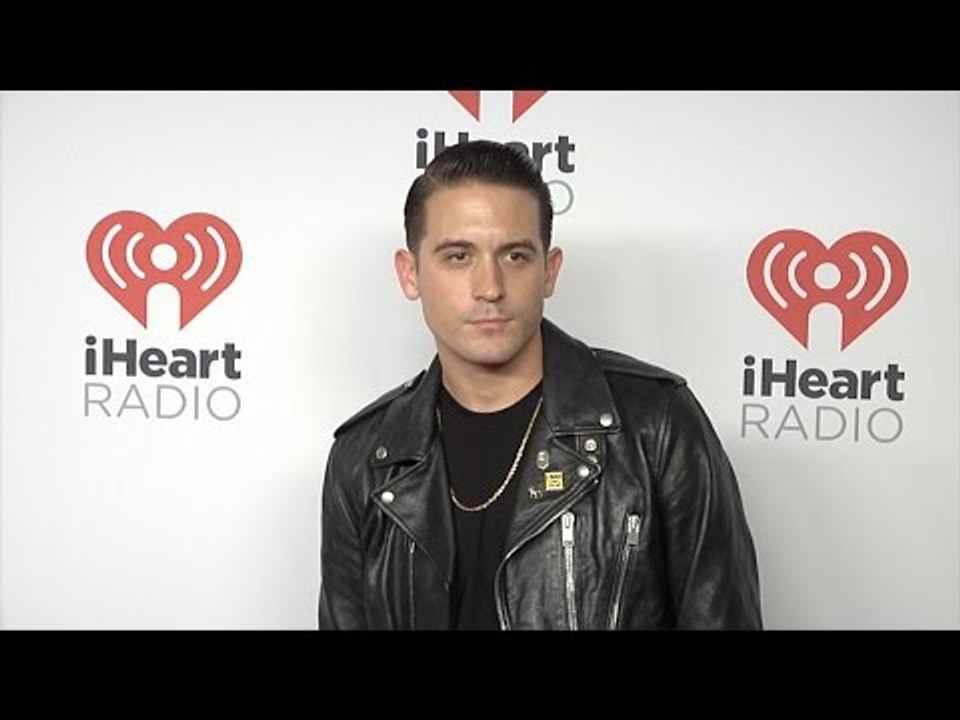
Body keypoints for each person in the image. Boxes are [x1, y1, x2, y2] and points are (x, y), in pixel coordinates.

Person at [318, 139, 762, 630]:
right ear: (410, 273)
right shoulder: (365, 459)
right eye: (458, 256)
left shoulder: (657, 426)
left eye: (514, 256)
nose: (489, 286)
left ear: (549, 272)